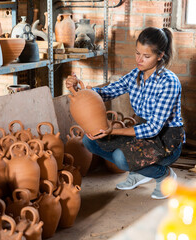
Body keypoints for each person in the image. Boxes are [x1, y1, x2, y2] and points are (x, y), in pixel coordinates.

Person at [65, 27, 185, 199]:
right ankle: (139, 171)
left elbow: (153, 129)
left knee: (121, 158)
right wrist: (77, 89)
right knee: (90, 140)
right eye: (137, 53)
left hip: (166, 139)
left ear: (160, 56)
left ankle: (163, 175)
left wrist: (111, 130)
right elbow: (106, 93)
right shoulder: (135, 75)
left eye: (146, 56)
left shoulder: (169, 82)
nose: (139, 60)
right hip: (143, 133)